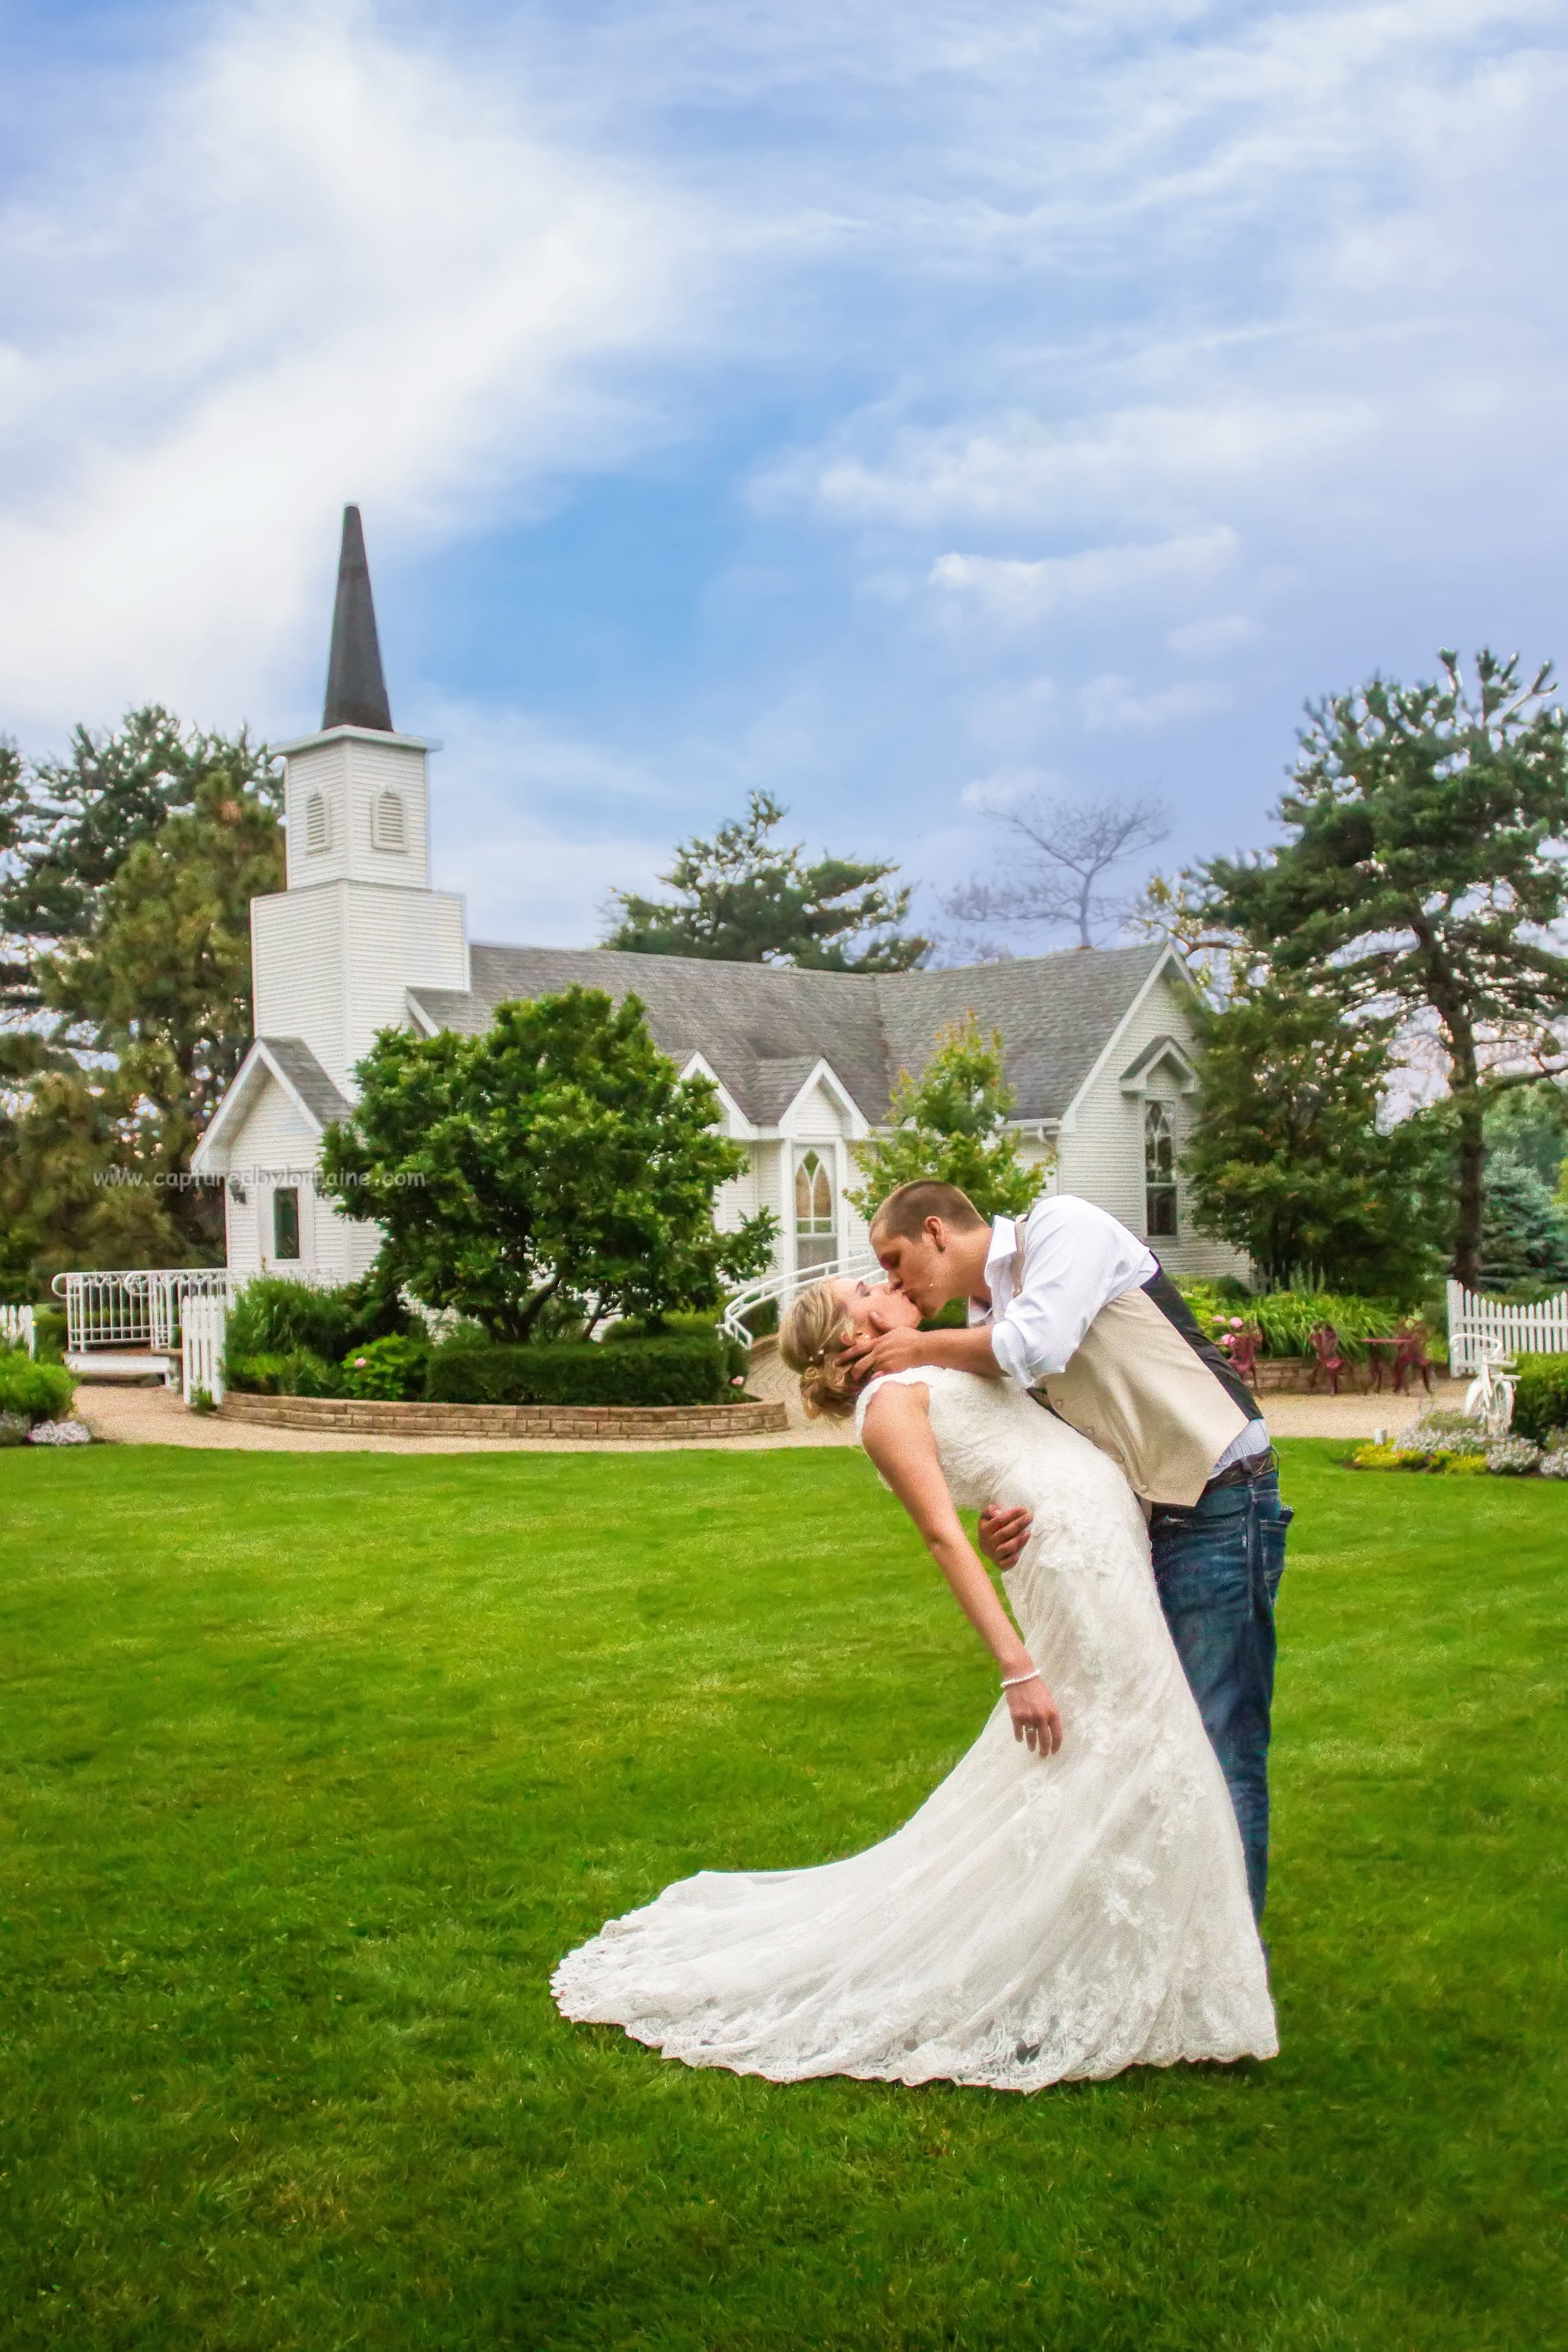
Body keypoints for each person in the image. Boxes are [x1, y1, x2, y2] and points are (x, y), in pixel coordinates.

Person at [552, 1272, 1276, 2092]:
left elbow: (1019, 1442)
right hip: (1074, 1571)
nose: (884, 1281)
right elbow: (941, 1537)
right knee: (1128, 1744)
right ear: (852, 1334)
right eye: (866, 1286)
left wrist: (1007, 1512)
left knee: (1143, 1743)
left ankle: (1145, 1947)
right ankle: (1107, 1956)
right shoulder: (886, 1409)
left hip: (1099, 1539)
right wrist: (1017, 1670)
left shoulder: (941, 1358)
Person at [841, 1180, 1291, 1924]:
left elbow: (1037, 1348)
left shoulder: (1063, 1229)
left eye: (894, 1261)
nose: (893, 1283)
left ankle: (1233, 1959)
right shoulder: (983, 1318)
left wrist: (916, 1346)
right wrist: (998, 1523)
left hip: (1219, 1493)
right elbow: (1048, 1445)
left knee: (1219, 1734)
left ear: (935, 1232)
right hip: (1144, 1521)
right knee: (1158, 1732)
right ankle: (1170, 1937)